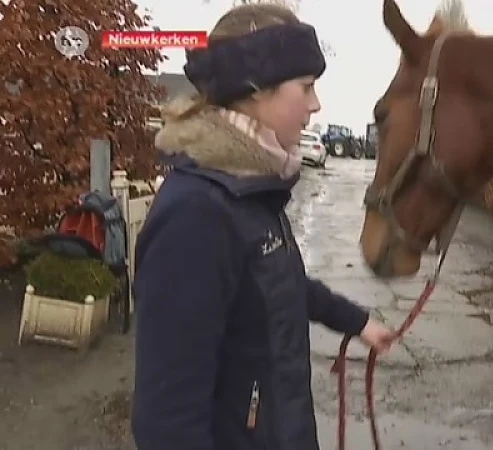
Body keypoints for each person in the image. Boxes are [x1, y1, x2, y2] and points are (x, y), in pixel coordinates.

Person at [130, 4, 395, 450]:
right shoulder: (196, 215)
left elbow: (276, 282)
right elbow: (167, 423)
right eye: (306, 87)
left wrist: (357, 321)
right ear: (254, 90)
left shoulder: (250, 187)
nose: (317, 104)